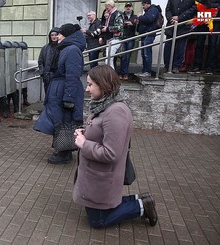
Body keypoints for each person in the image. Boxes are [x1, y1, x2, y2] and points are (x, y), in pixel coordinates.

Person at [73, 65, 158, 228]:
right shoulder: (105, 103)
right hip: (96, 176)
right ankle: (139, 200)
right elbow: (102, 129)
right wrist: (86, 132)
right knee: (92, 210)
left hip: (102, 176)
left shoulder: (115, 111)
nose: (87, 89)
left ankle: (141, 206)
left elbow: (111, 153)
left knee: (98, 221)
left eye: (90, 84)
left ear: (103, 85)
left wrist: (84, 144)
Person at [33, 23, 86, 164]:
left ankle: (64, 153)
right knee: (59, 120)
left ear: (68, 36)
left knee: (65, 121)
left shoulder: (72, 50)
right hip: (59, 89)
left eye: (61, 34)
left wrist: (68, 97)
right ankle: (62, 149)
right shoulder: (66, 49)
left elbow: (72, 75)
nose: (58, 37)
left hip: (64, 90)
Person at [163, 0, 196, 74]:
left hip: (183, 26)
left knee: (180, 48)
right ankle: (167, 65)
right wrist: (171, 19)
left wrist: (179, 18)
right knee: (168, 47)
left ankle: (176, 66)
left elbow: (193, 9)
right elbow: (168, 9)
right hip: (171, 26)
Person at [189, 0, 219, 74]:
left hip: (216, 18)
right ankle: (197, 65)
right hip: (203, 15)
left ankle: (209, 66)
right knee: (200, 42)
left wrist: (216, 8)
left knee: (212, 44)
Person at [134, 0, 160, 77]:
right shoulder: (148, 10)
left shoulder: (153, 9)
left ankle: (147, 71)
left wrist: (140, 17)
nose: (142, 6)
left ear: (147, 4)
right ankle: (144, 70)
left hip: (149, 34)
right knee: (144, 53)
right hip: (145, 34)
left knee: (147, 53)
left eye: (143, 4)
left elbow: (149, 19)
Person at [100, 0, 124, 69]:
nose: (106, 10)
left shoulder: (118, 14)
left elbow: (119, 27)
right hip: (109, 39)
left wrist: (107, 29)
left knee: (109, 58)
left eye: (107, 8)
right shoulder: (108, 15)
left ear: (112, 6)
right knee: (108, 58)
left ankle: (111, 75)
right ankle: (110, 75)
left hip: (115, 39)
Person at [38, 27, 60, 93]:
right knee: (48, 95)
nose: (54, 37)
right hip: (47, 77)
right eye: (52, 35)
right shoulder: (45, 48)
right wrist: (42, 72)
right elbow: (40, 61)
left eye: (55, 35)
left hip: (57, 77)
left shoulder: (62, 47)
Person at [120, 2, 137, 80]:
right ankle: (122, 73)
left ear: (132, 7)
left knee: (127, 56)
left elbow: (138, 28)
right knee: (122, 56)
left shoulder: (135, 17)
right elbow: (117, 26)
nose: (128, 8)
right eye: (126, 6)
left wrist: (132, 24)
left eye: (129, 6)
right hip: (122, 38)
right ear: (124, 8)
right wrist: (122, 24)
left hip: (131, 38)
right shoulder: (121, 16)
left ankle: (125, 73)